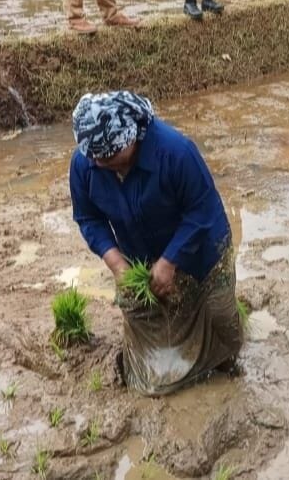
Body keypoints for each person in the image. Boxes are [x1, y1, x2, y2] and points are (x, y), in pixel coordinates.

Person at [69, 91, 242, 396]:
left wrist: (170, 260)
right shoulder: (87, 163)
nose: (98, 163)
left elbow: (202, 210)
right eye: (92, 156)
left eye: (107, 156)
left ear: (130, 140)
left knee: (220, 317)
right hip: (141, 256)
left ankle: (227, 369)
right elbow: (88, 218)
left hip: (203, 252)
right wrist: (116, 263)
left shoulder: (176, 152)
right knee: (152, 313)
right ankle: (169, 365)